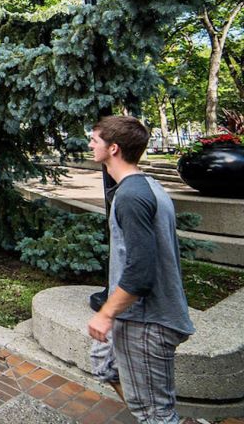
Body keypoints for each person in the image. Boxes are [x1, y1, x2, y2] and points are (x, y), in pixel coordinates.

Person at [86, 116, 195, 424]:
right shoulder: (144, 186)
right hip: (133, 316)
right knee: (104, 364)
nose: (90, 144)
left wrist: (106, 313)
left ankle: (146, 410)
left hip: (148, 323)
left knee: (157, 416)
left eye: (95, 140)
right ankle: (141, 404)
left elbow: (141, 272)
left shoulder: (132, 197)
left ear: (114, 148)